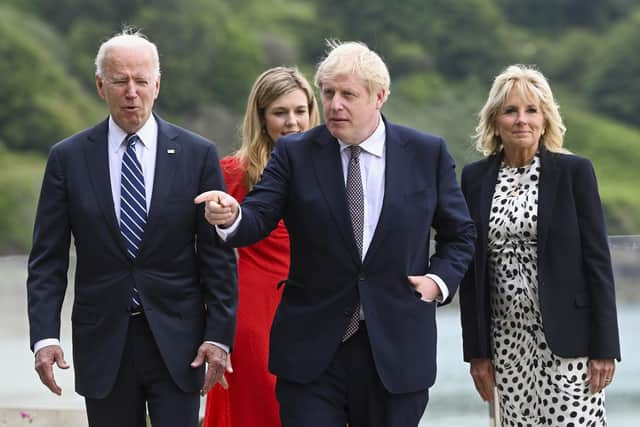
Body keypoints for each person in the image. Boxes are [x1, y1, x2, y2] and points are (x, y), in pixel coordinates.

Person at [195, 40, 476, 427]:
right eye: (327, 93)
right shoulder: (295, 152)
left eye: (347, 94)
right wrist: (230, 217)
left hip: (395, 350)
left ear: (380, 96)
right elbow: (257, 216)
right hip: (311, 351)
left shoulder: (427, 153)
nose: (334, 104)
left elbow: (460, 235)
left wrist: (437, 282)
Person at [26, 28, 238, 427]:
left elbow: (218, 258)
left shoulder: (198, 155)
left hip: (180, 343)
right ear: (100, 85)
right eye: (120, 80)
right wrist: (45, 337)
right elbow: (47, 260)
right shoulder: (67, 158)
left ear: (157, 85)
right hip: (103, 342)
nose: (131, 92)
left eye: (141, 81)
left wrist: (219, 335)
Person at [459, 64, 621, 426]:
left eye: (532, 110)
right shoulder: (474, 179)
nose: (522, 120)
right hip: (506, 347)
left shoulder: (574, 173)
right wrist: (477, 354)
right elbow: (471, 275)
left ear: (546, 119)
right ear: (495, 121)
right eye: (510, 110)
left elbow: (598, 264)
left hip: (570, 346)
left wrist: (605, 348)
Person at [202, 66, 320, 427]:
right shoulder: (233, 172)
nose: (292, 122)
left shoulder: (331, 169)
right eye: (280, 113)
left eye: (300, 111)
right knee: (260, 405)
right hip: (253, 312)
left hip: (316, 308)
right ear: (261, 117)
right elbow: (206, 249)